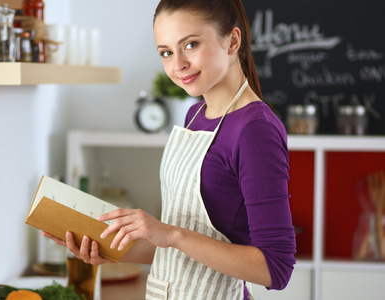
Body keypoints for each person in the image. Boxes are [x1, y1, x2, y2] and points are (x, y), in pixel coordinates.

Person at [43, 0, 296, 299]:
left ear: (233, 41)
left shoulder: (255, 129)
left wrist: (172, 234)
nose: (178, 65)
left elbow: (276, 268)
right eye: (166, 52)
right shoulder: (195, 116)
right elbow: (182, 251)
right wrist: (110, 250)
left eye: (190, 45)